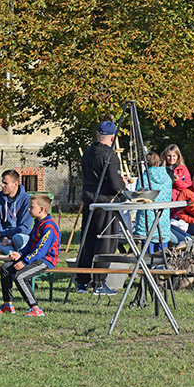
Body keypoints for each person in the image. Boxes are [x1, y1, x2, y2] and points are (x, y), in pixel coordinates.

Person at [77, 120, 127, 293]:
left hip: (90, 201)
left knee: (87, 240)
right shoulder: (109, 156)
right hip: (106, 203)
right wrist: (123, 186)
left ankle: (82, 281)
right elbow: (115, 184)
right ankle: (99, 283)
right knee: (106, 242)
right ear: (112, 138)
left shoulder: (87, 153)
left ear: (98, 135)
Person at [0, 194, 60, 316]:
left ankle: (35, 308)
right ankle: (8, 304)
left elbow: (41, 250)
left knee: (20, 276)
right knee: (5, 268)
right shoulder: (37, 223)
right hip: (34, 258)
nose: (28, 209)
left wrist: (24, 262)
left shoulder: (49, 226)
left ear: (41, 209)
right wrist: (20, 254)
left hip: (45, 260)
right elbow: (30, 244)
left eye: (31, 207)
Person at [0, 170, 32, 255]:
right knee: (10, 253)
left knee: (18, 239)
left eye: (5, 183)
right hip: (3, 238)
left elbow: (25, 228)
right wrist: (4, 238)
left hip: (20, 236)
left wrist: (2, 234)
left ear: (15, 184)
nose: (2, 185)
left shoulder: (27, 199)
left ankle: (24, 261)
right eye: (2, 182)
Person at [134, 151, 173, 253]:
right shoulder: (167, 177)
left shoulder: (143, 178)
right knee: (162, 252)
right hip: (163, 218)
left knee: (147, 253)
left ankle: (147, 263)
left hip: (147, 219)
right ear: (158, 163)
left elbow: (137, 196)